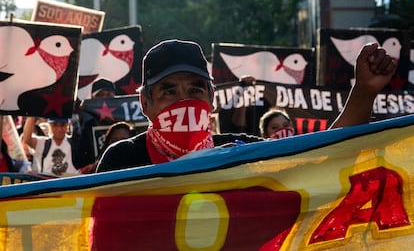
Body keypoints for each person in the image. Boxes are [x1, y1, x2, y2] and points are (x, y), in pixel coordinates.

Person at [96, 40, 396, 173]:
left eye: (195, 89)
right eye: (168, 91)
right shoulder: (122, 160)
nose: (183, 100)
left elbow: (321, 160)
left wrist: (363, 93)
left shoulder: (239, 152)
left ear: (212, 99)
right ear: (144, 103)